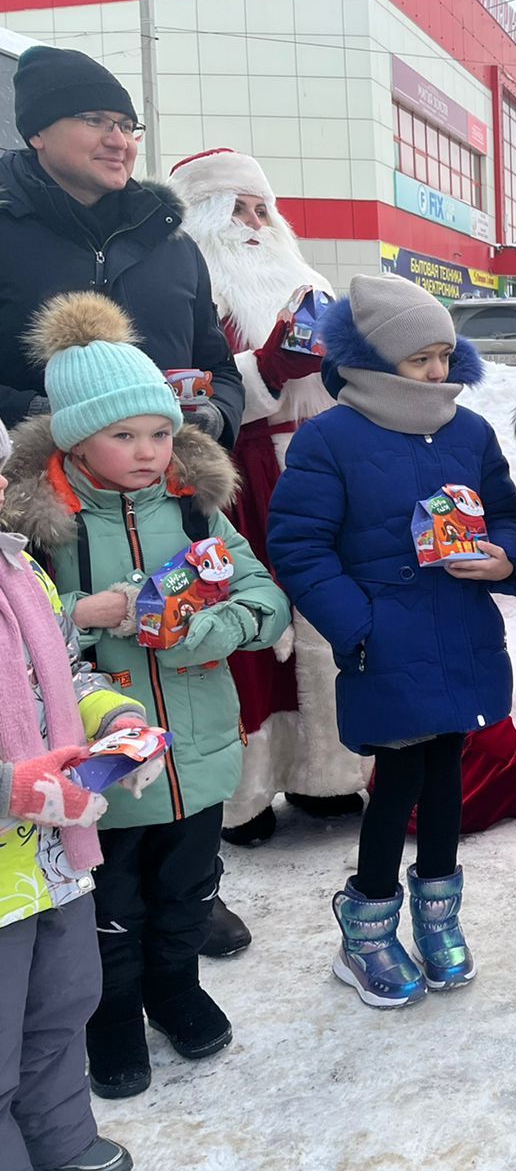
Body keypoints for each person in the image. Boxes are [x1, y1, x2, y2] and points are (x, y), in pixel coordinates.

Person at [0, 293, 289, 1099]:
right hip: (101, 769)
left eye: (160, 433)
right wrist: (78, 619)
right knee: (109, 906)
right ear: (73, 437)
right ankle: (114, 1013)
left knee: (188, 890)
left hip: (198, 755)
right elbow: (16, 653)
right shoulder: (39, 527)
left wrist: (200, 629)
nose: (148, 452)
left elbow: (266, 605)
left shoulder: (197, 510)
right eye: (123, 436)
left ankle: (175, 987)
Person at [268, 275, 516, 1008]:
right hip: (386, 640)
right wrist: (359, 627)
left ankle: (438, 917)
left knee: (447, 772)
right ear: (376, 357)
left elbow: (503, 511)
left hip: (463, 631)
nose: (439, 372)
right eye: (421, 359)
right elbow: (300, 546)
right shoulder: (330, 438)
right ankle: (368, 926)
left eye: (446, 355)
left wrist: (504, 560)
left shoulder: (469, 432)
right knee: (398, 782)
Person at [165, 148, 369, 855]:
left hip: (322, 470)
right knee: (255, 636)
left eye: (262, 208)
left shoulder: (307, 281)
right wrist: (269, 366)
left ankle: (329, 774)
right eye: (236, 209)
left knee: (327, 624)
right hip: (243, 478)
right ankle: (245, 793)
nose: (254, 223)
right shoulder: (196, 289)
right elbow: (193, 392)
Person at [0, 420, 146, 1171]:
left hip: (53, 858)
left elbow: (63, 673)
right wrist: (14, 786)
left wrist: (113, 719)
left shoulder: (23, 573)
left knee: (59, 1013)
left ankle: (63, 1142)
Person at [0, 47, 243, 444]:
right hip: (29, 493)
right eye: (94, 120)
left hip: (165, 496)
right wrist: (44, 418)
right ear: (36, 133)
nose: (119, 142)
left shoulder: (173, 244)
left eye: (127, 126)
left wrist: (216, 417)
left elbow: (220, 369)